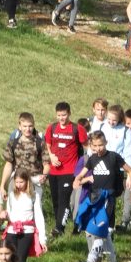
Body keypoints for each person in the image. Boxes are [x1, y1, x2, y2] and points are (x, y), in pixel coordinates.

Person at [74, 131, 131, 262]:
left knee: (100, 230)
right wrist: (77, 178)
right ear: (91, 145)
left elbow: (130, 171)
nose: (99, 148)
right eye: (95, 146)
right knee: (106, 234)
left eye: (101, 145)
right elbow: (82, 173)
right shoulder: (92, 159)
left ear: (106, 143)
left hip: (108, 199)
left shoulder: (113, 157)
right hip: (95, 199)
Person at [44, 102, 87, 237]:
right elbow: (48, 143)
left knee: (64, 200)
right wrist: (51, 156)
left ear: (69, 114)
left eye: (64, 115)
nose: (61, 118)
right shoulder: (52, 128)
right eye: (59, 115)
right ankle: (58, 227)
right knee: (56, 200)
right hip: (54, 171)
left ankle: (59, 228)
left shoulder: (77, 128)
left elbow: (86, 146)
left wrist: (86, 166)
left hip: (69, 170)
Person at [0, 170, 47, 262]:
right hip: (11, 230)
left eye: (21, 182)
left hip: (27, 231)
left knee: (21, 261)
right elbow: (9, 213)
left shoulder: (34, 194)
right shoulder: (11, 192)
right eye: (16, 182)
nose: (18, 185)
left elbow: (39, 216)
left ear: (27, 181)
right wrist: (4, 215)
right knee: (9, 259)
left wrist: (42, 239)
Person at [0, 112, 50, 201]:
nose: (28, 129)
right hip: (17, 182)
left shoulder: (40, 143)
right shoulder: (13, 143)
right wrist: (2, 185)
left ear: (34, 126)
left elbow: (46, 164)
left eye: (30, 126)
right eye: (25, 126)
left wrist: (44, 176)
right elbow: (8, 165)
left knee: (36, 211)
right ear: (20, 126)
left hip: (34, 182)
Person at [101, 104, 131, 230]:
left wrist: (130, 176)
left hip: (116, 169)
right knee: (100, 196)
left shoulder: (125, 131)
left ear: (120, 119)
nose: (111, 122)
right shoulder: (103, 126)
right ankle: (100, 223)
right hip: (101, 167)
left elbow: (128, 153)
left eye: (114, 120)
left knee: (111, 198)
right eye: (109, 119)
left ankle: (110, 226)